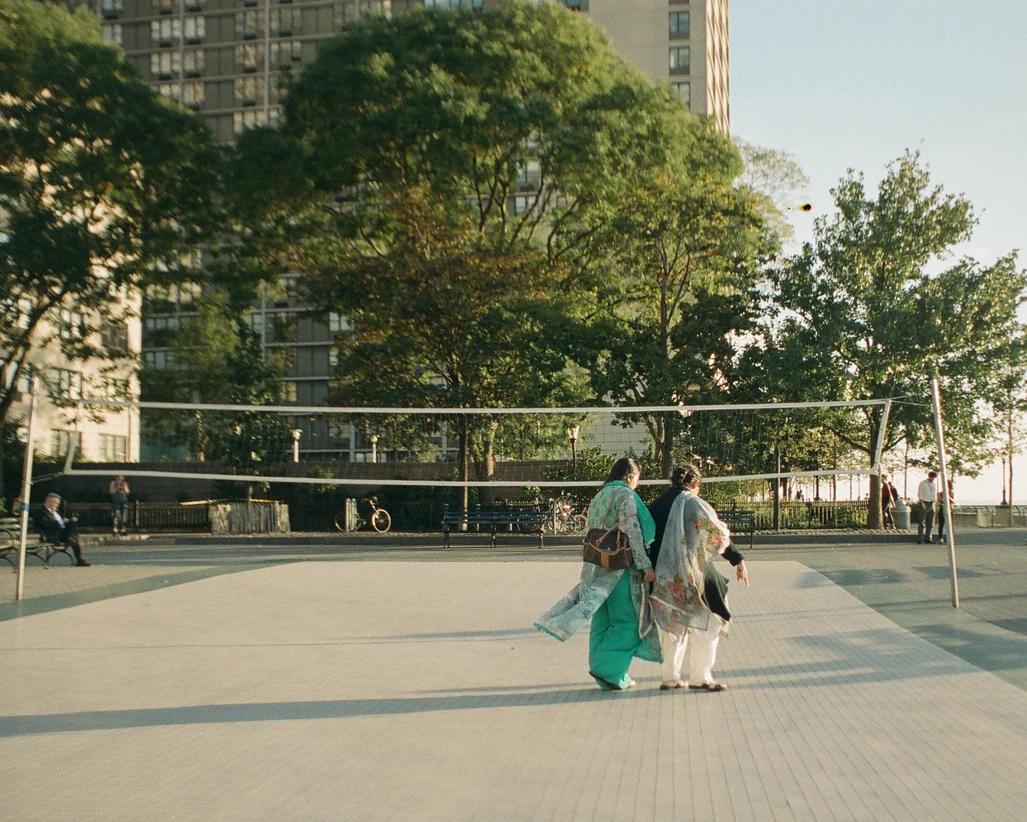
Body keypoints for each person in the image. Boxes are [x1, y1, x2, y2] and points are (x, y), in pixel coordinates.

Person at [535, 457, 660, 690]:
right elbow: (632, 530)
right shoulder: (625, 495)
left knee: (602, 620)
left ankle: (601, 669)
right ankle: (611, 671)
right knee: (627, 621)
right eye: (637, 479)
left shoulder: (599, 495)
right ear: (630, 477)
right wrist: (645, 565)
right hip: (620, 567)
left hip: (596, 566)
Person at [648, 464, 748, 692]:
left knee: (674, 624)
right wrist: (737, 559)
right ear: (694, 483)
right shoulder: (692, 503)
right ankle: (701, 677)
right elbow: (714, 535)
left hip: (664, 576)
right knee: (710, 622)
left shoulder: (657, 504)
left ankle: (670, 677)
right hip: (693, 574)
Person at [33, 493, 90, 566]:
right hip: (51, 534)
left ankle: (79, 558)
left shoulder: (56, 511)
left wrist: (67, 521)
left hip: (61, 533)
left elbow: (61, 522)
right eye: (56, 503)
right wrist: (61, 522)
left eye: (58, 504)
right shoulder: (40, 512)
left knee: (73, 523)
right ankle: (73, 544)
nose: (57, 505)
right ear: (48, 501)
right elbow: (46, 524)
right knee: (74, 537)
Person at [917, 471, 938, 544]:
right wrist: (922, 503)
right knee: (922, 521)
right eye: (932, 477)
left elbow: (934, 494)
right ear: (929, 476)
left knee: (930, 521)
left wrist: (934, 502)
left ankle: (928, 537)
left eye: (934, 478)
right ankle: (920, 539)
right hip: (924, 502)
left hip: (931, 503)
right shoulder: (923, 483)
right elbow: (920, 494)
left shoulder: (933, 484)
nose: (933, 479)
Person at [936, 477, 954, 542]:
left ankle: (950, 538)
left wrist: (949, 498)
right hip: (942, 509)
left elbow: (953, 501)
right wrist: (939, 496)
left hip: (949, 509)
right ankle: (941, 538)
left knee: (949, 524)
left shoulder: (951, 493)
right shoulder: (940, 493)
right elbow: (939, 501)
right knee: (941, 524)